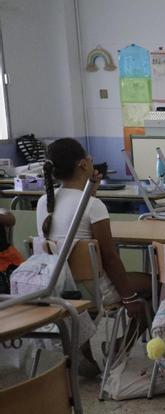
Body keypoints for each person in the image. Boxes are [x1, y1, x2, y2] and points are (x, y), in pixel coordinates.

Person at [37, 138, 150, 372]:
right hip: (91, 289)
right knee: (154, 286)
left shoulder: (43, 203)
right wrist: (128, 299)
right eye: (89, 158)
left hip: (58, 287)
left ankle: (84, 349)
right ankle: (120, 349)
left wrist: (91, 191)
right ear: (82, 165)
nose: (92, 161)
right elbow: (109, 257)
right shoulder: (92, 205)